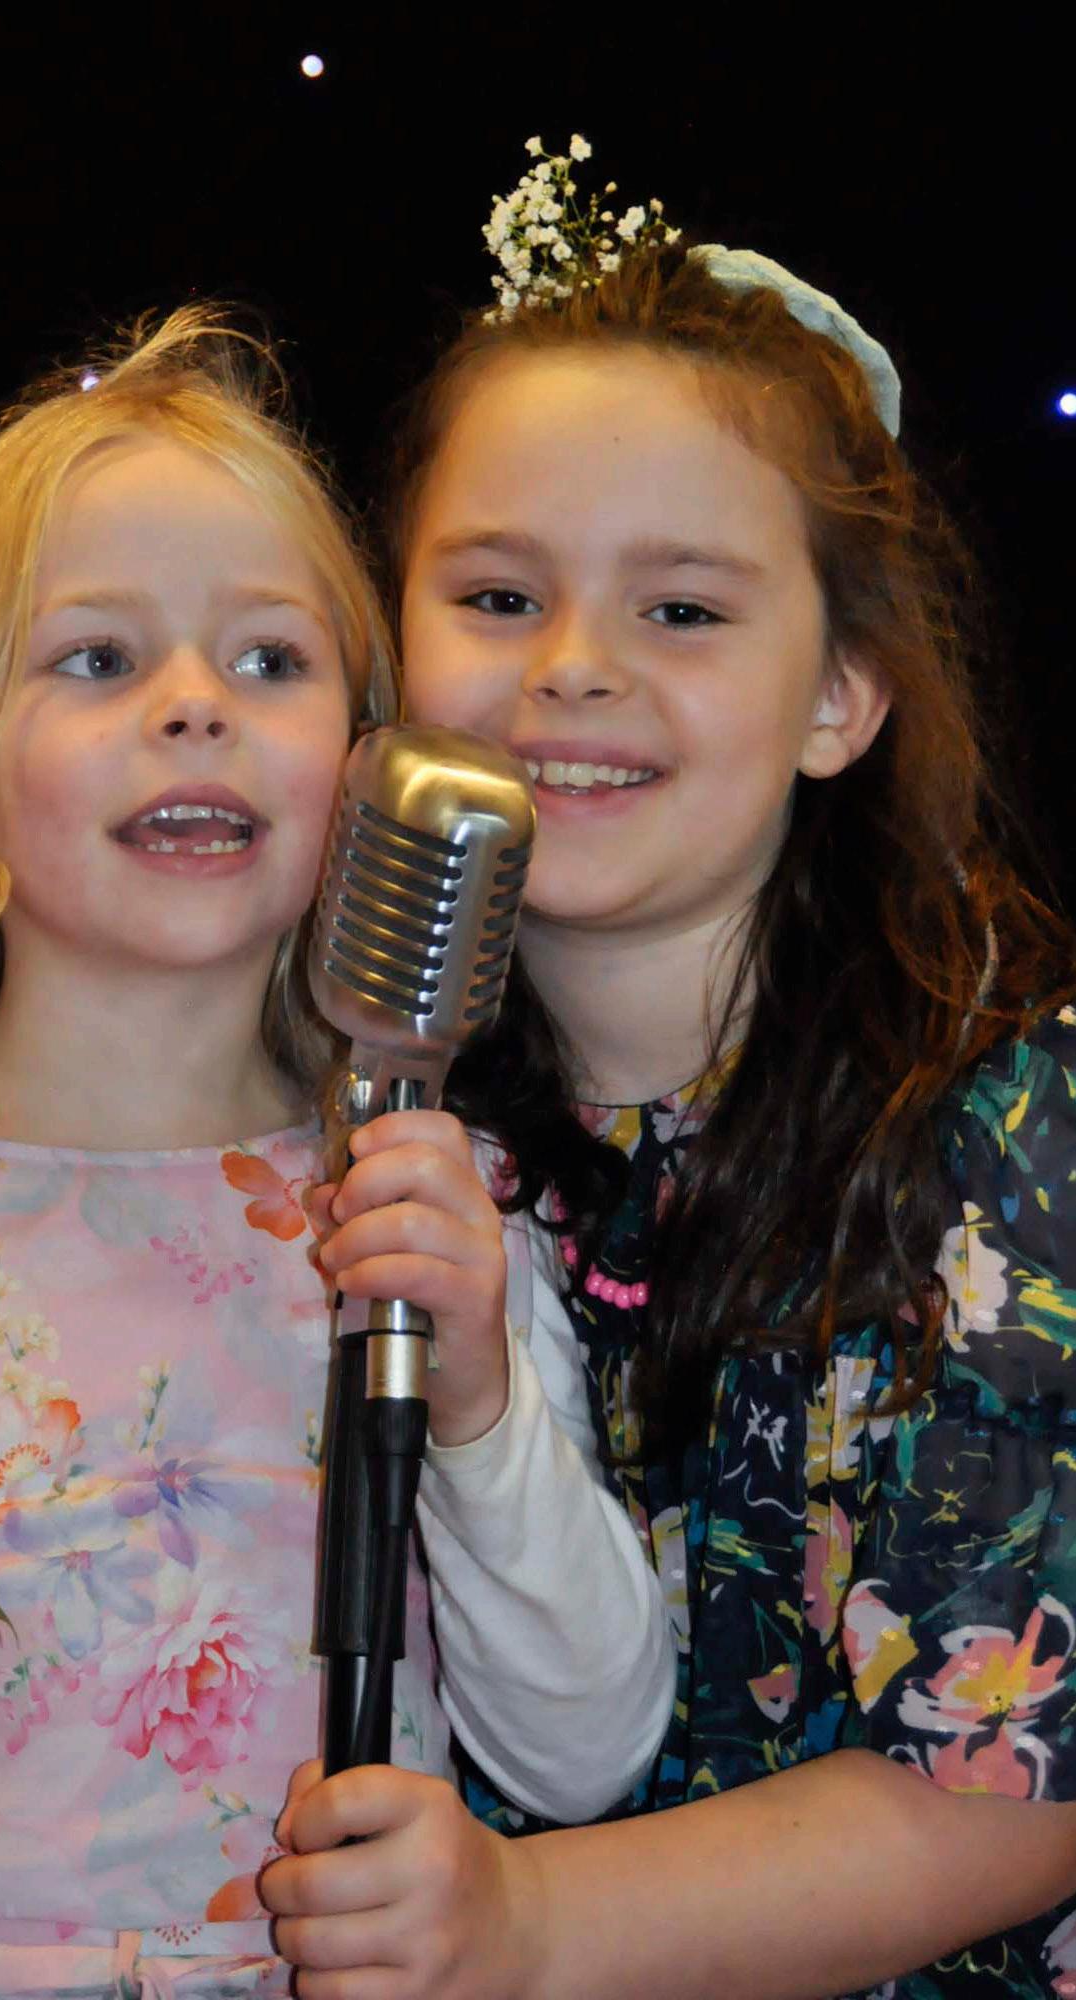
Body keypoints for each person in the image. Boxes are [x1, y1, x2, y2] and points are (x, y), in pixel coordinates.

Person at [0, 309, 672, 1998]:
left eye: (270, 661)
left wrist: (479, 1405)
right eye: (97, 659)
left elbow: (581, 1757)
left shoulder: (429, 1217)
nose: (197, 706)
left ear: (368, 774)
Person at [261, 142, 1076, 1997]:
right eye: (495, 596)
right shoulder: (372, 1126)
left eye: (682, 611)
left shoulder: (1014, 1134)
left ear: (838, 697)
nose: (570, 669)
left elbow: (1008, 1786)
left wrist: (530, 1923)